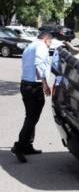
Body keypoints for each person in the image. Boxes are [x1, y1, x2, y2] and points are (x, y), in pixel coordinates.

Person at [11, 32, 52, 163]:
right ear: (46, 39)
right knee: (32, 117)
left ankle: (28, 145)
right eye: (50, 42)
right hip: (35, 86)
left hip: (25, 85)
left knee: (30, 116)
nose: (50, 46)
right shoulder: (41, 46)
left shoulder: (29, 47)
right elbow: (39, 65)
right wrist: (45, 84)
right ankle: (19, 146)